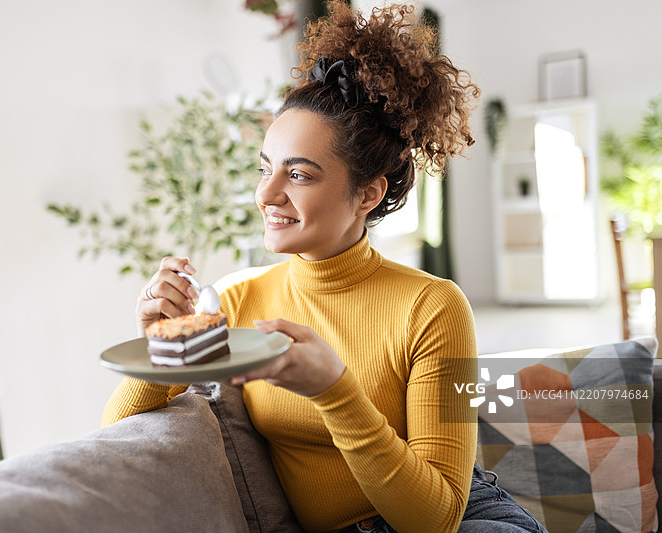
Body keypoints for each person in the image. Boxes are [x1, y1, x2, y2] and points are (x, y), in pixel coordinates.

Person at [102, 2, 547, 532]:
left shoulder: (434, 307)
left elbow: (437, 520)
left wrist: (335, 391)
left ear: (367, 193)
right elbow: (116, 449)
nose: (267, 194)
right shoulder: (239, 301)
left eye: (300, 175)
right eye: (265, 169)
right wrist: (162, 348)